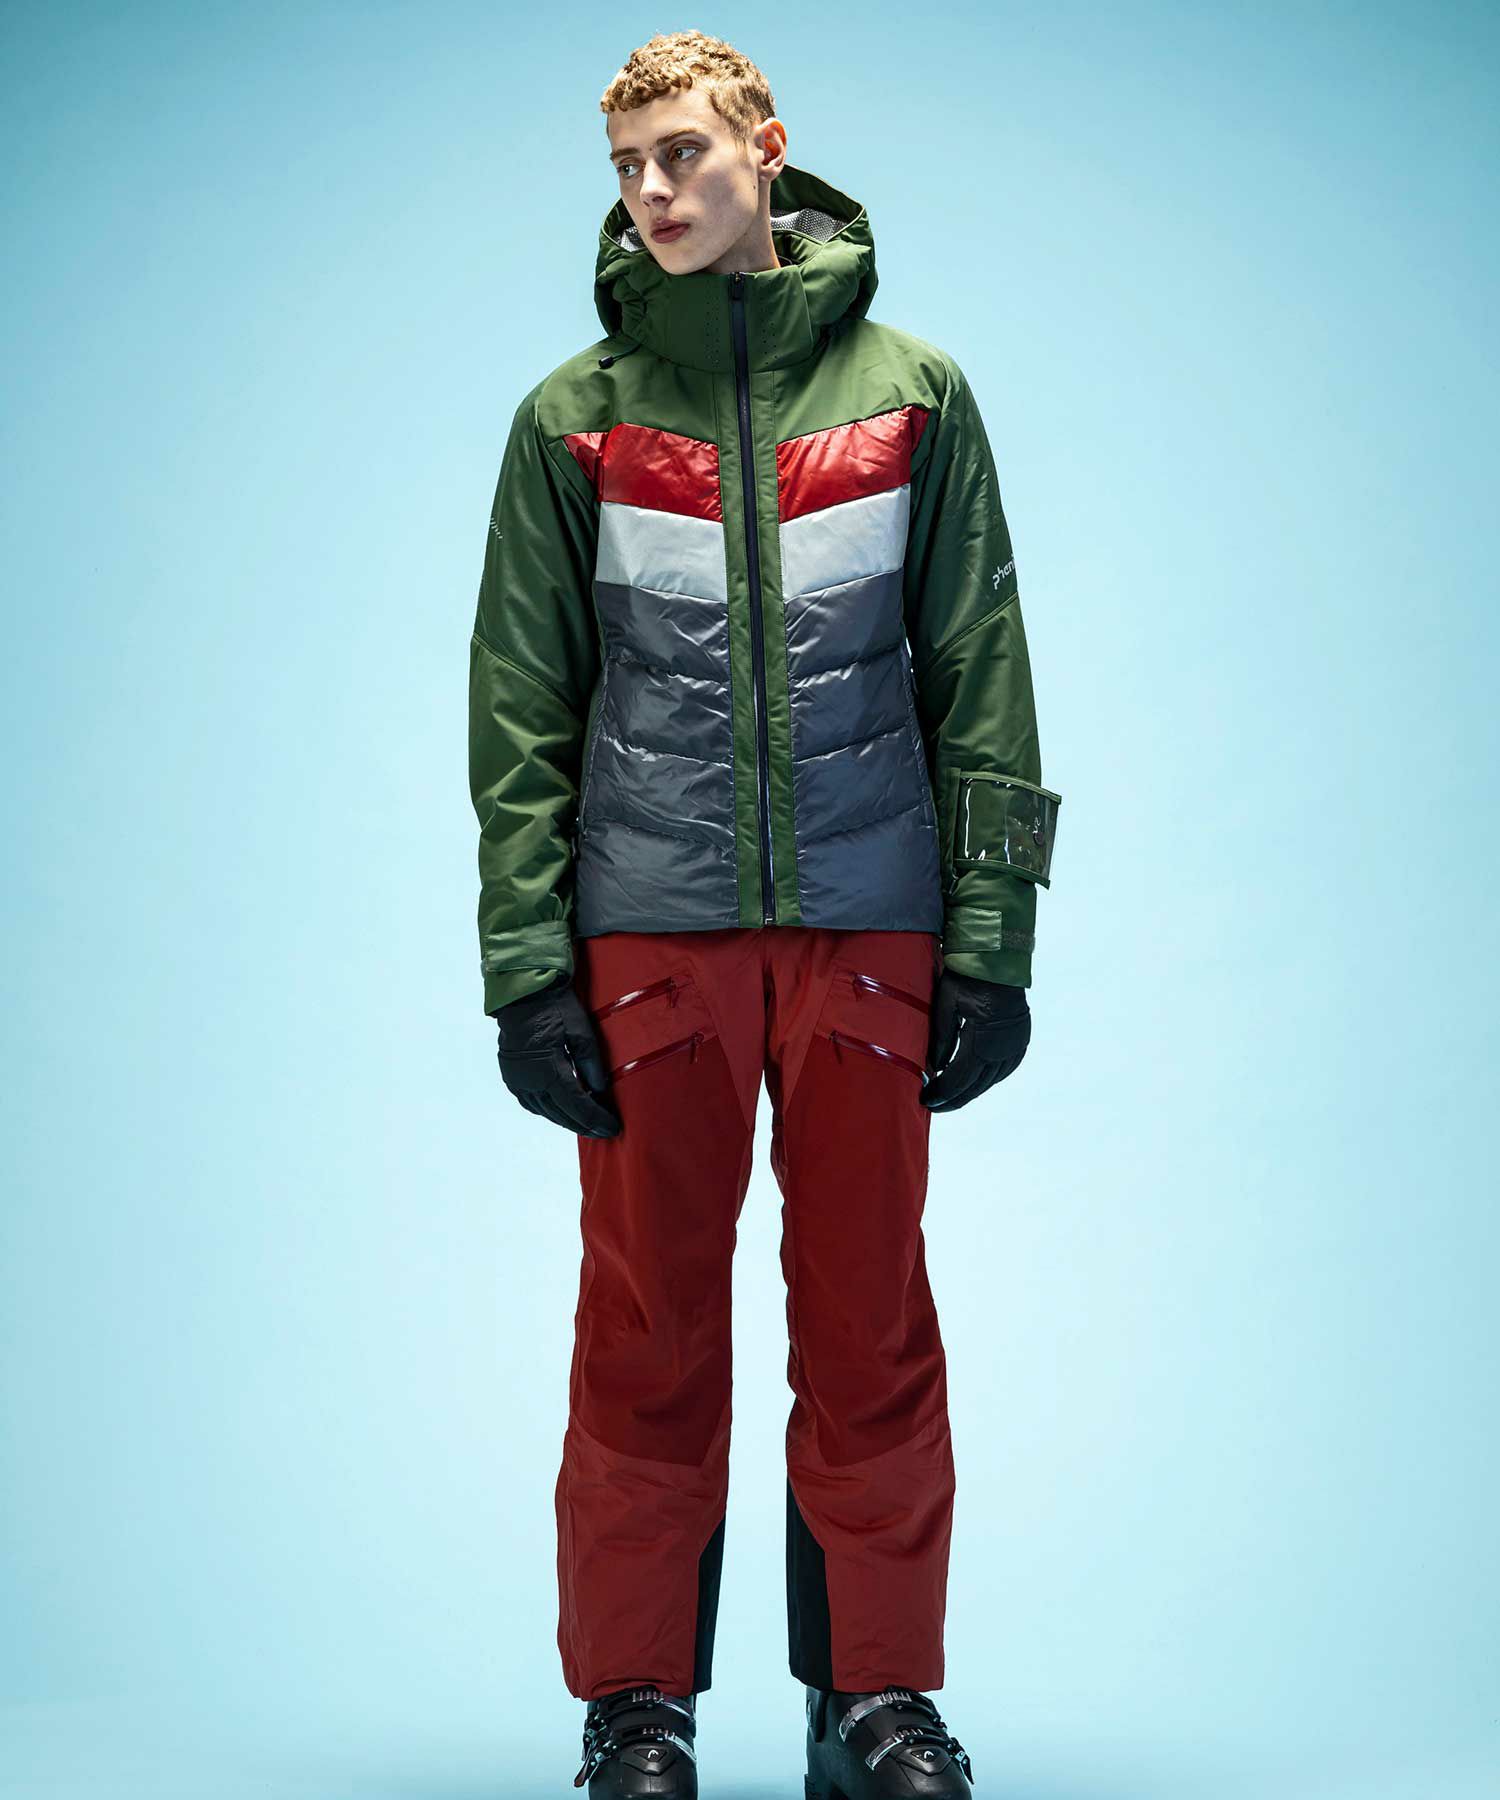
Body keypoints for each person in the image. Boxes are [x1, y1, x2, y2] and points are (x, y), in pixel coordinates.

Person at [467, 28, 1061, 1798]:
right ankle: (635, 1705)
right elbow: (519, 710)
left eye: (681, 154)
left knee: (871, 1323)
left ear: (767, 148)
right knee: (646, 1335)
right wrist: (527, 973)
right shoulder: (571, 420)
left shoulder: (914, 396)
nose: (653, 191)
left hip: (872, 934)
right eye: (627, 167)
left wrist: (993, 944)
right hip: (647, 942)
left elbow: (980, 671)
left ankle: (873, 1700)